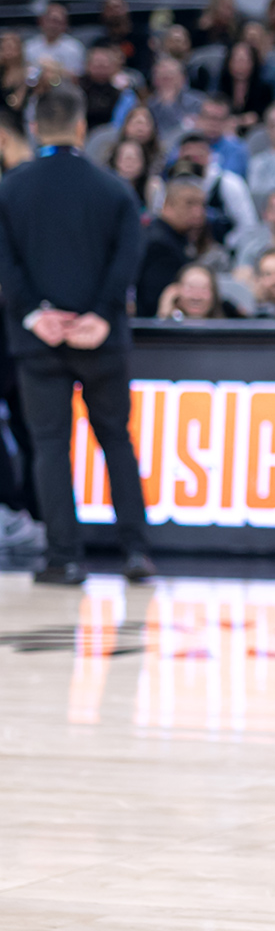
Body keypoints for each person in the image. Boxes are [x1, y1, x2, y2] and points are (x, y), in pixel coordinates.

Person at [0, 85, 156, 586]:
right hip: (101, 342)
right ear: (83, 128)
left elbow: (6, 262)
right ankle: (136, 552)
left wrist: (34, 314)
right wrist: (102, 314)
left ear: (34, 129)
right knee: (116, 440)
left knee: (50, 446)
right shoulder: (114, 189)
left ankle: (63, 557)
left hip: (38, 342)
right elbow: (129, 255)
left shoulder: (10, 189)